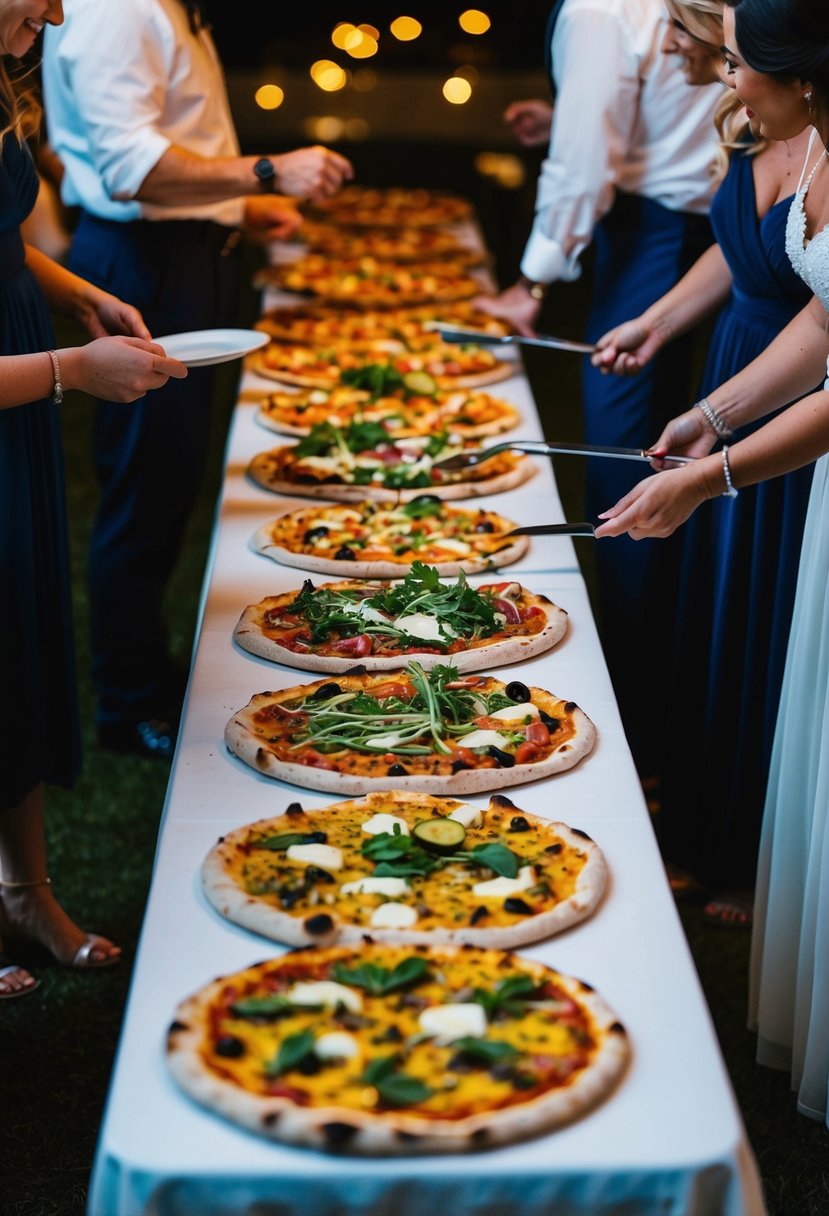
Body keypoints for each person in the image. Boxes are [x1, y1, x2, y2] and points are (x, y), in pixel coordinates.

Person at [596, 0, 829, 1121]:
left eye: (738, 67)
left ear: (805, 79)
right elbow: (825, 324)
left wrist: (714, 471)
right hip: (780, 411)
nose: (725, 88)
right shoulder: (804, 134)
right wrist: (710, 414)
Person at [41, 0, 354, 760]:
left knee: (168, 480)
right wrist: (268, 172)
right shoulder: (120, 9)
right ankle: (128, 704)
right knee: (143, 489)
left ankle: (150, 674)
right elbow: (129, 168)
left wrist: (237, 208)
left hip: (181, 253)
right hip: (148, 261)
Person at [475, 0, 721, 782]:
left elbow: (584, 164)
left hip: (659, 235)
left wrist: (531, 283)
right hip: (697, 226)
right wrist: (566, 116)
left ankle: (634, 724)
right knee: (669, 469)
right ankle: (661, 713)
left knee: (628, 475)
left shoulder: (597, 8)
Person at [0, 0, 188, 997]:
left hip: (20, 395)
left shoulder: (1, 75)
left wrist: (77, 292)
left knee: (17, 647)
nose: (61, 10)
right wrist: (74, 366)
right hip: (21, 384)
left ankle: (25, 889)